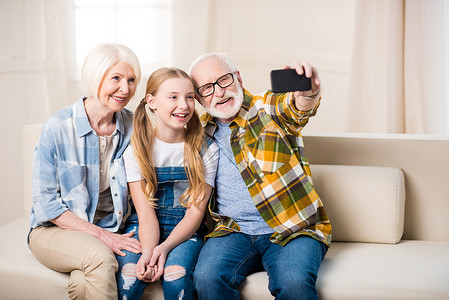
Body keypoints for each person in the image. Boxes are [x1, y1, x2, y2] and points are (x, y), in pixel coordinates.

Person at [188, 53, 332, 300]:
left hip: (291, 230)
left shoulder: (266, 109)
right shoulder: (200, 133)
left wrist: (308, 93)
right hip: (233, 231)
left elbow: (296, 108)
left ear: (238, 78)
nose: (219, 92)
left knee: (294, 282)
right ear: (199, 99)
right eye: (207, 88)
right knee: (206, 278)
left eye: (224, 80)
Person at [28, 43, 142, 299]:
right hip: (54, 229)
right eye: (116, 78)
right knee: (101, 258)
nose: (125, 89)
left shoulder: (134, 125)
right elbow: (45, 204)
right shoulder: (58, 127)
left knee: (82, 285)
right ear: (95, 76)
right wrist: (103, 236)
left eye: (131, 79)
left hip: (112, 226)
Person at [115, 67, 219, 300]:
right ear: (152, 101)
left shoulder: (207, 149)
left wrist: (164, 248)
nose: (183, 105)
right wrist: (149, 252)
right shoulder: (137, 150)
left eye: (190, 97)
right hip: (143, 226)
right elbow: (145, 213)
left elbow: (196, 213)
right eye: (173, 97)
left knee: (176, 278)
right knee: (130, 280)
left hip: (186, 229)